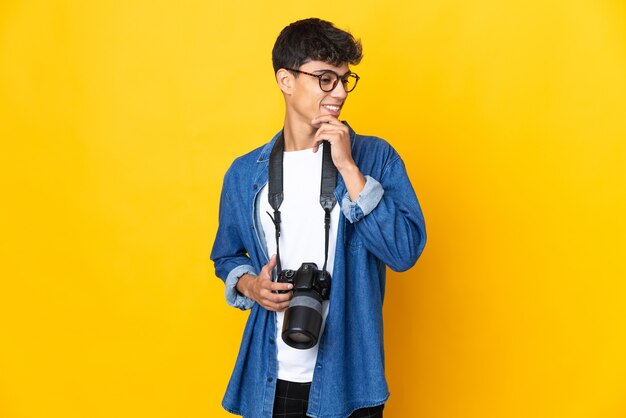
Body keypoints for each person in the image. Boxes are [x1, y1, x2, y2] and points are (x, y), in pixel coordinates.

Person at [211, 18, 426, 418]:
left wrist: (348, 168)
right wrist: (250, 284)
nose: (340, 92)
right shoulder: (245, 174)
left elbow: (405, 251)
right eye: (325, 79)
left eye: (345, 79)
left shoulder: (375, 158)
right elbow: (226, 255)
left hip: (350, 379)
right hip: (269, 376)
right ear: (286, 80)